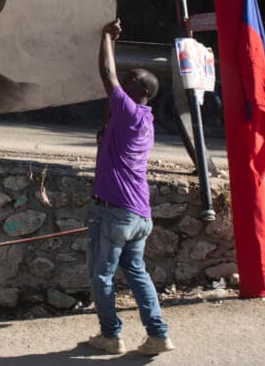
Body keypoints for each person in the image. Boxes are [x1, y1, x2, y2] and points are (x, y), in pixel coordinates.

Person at [86, 18, 174, 356]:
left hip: (114, 214)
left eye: (129, 80)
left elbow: (107, 75)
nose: (123, 81)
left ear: (141, 92)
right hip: (139, 215)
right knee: (137, 273)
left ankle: (111, 335)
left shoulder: (130, 112)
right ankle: (158, 334)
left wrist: (106, 37)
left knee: (102, 276)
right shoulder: (143, 118)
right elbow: (113, 99)